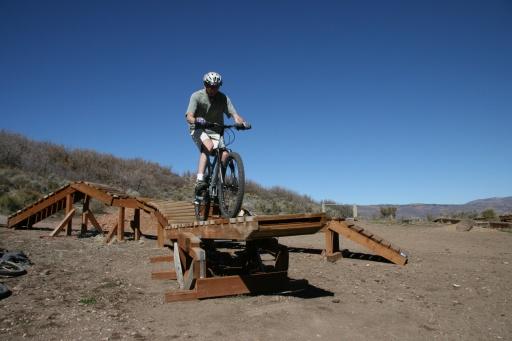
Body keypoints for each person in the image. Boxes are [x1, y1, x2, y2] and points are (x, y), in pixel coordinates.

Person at [185, 71, 249, 196]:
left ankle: (218, 182)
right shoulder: (196, 96)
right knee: (208, 147)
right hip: (198, 128)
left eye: (216, 86)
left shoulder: (223, 98)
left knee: (224, 154)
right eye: (211, 86)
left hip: (217, 130)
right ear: (205, 85)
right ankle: (199, 181)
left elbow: (234, 114)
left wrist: (242, 123)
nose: (213, 89)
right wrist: (196, 120)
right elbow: (189, 116)